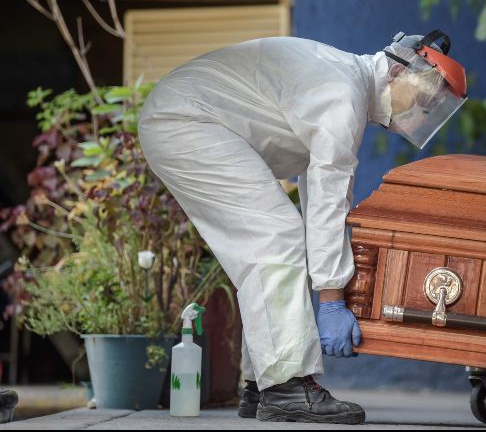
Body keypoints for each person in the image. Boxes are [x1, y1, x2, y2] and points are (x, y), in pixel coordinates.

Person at [138, 30, 467, 424]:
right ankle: (286, 388)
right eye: (423, 99)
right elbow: (329, 199)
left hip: (183, 116)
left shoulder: (343, 84)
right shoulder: (343, 94)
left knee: (273, 239)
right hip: (186, 120)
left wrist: (330, 284)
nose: (419, 114)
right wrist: (332, 301)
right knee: (273, 238)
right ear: (401, 71)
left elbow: (321, 200)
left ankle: (264, 383)